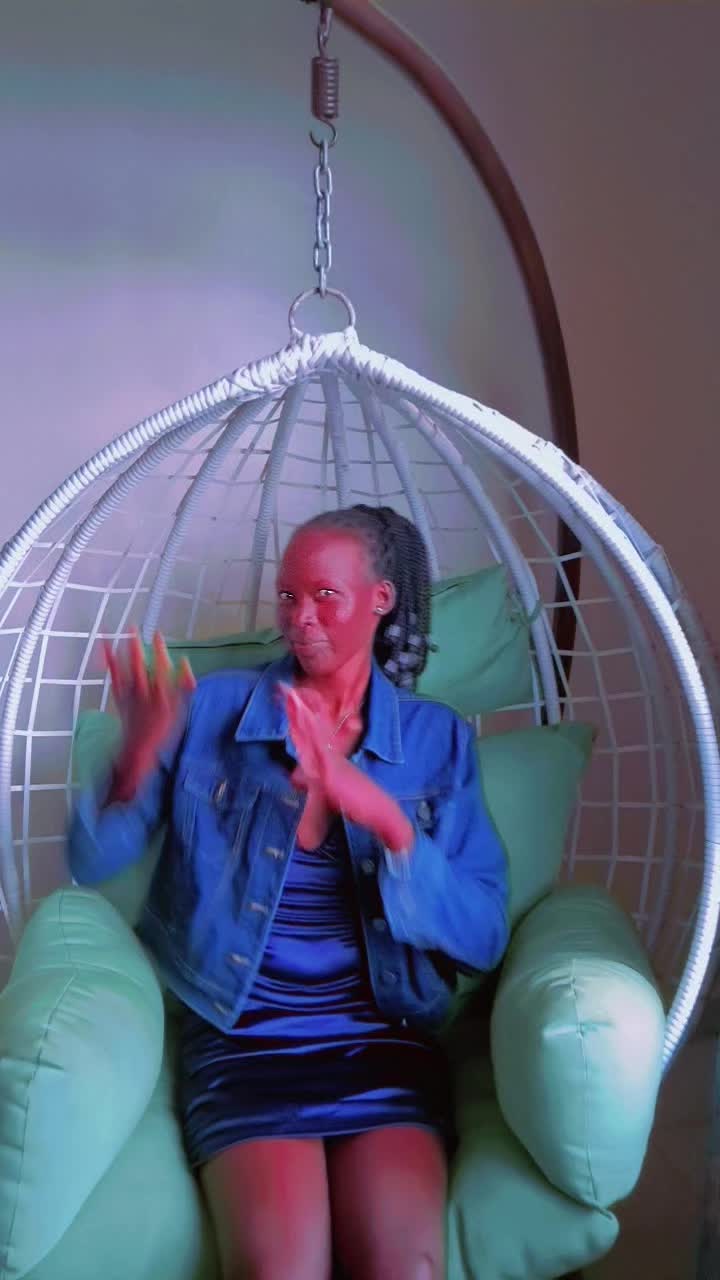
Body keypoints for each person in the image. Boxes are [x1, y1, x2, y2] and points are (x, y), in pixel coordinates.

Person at [69, 504, 509, 1280]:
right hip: (243, 1039)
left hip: (384, 1040)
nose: (300, 619)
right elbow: (90, 857)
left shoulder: (437, 742)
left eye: (324, 596)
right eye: (288, 597)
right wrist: (135, 755)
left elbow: (483, 935)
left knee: (406, 1270)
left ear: (380, 600)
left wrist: (385, 819)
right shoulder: (213, 710)